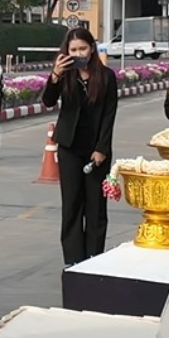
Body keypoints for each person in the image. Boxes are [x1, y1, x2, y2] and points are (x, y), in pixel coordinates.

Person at [41, 26, 118, 264]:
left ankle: (94, 259)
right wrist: (55, 75)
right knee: (72, 204)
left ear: (92, 48)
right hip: (69, 148)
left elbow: (109, 114)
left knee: (95, 207)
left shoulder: (106, 76)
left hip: (96, 150)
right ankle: (73, 260)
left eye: (82, 48)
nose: (78, 54)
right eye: (73, 50)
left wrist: (102, 148)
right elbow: (48, 101)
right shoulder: (65, 75)